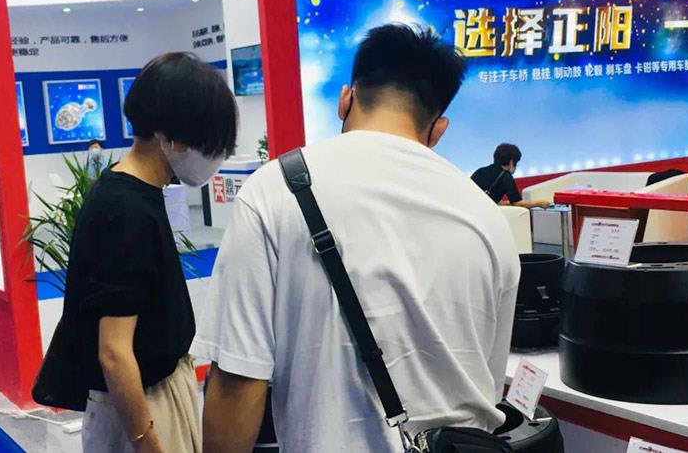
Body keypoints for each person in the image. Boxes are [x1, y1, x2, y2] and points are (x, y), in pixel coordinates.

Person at [192, 24, 520, 452]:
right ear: (438, 128)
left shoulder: (274, 192)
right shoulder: (488, 217)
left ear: (346, 99)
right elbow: (487, 385)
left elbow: (238, 382)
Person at [62, 52, 237, 453]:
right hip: (144, 408)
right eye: (211, 142)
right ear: (175, 138)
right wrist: (147, 443)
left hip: (158, 394)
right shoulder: (127, 210)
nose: (215, 156)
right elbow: (114, 352)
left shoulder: (133, 192)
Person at [471, 143, 551, 209]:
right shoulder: (506, 176)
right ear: (511, 162)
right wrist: (538, 203)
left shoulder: (480, 171)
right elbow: (517, 202)